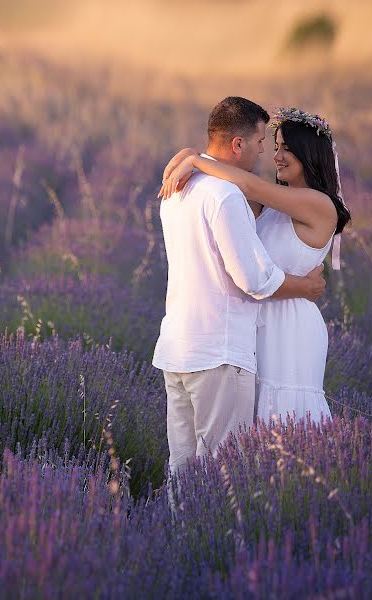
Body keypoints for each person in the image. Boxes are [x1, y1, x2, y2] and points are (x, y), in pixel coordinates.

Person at [152, 97, 326, 483]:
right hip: (219, 351)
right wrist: (306, 285)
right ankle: (213, 541)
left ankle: (178, 539)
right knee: (222, 472)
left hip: (176, 350)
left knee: (182, 469)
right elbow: (255, 280)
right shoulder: (225, 195)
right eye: (262, 142)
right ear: (237, 144)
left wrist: (190, 156)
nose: (265, 151)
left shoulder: (177, 187)